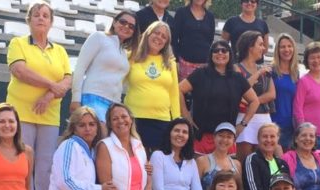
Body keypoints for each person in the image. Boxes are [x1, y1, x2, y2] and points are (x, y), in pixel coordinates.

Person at [6, 1, 72, 190]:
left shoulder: (60, 51)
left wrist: (49, 96)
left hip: (50, 116)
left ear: (51, 22)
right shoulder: (18, 43)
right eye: (36, 15)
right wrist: (52, 85)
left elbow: (67, 79)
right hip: (22, 114)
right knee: (23, 164)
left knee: (45, 167)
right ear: (29, 20)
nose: (41, 18)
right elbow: (20, 71)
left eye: (45, 15)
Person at [180, 39, 259, 155]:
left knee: (227, 168)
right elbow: (179, 89)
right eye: (216, 51)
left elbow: (254, 101)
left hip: (226, 138)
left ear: (230, 54)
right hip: (202, 136)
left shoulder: (237, 78)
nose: (220, 53)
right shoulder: (200, 74)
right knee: (200, 167)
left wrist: (243, 124)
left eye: (224, 50)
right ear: (211, 54)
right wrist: (186, 115)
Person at [71, 11, 139, 121]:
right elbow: (80, 68)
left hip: (114, 104)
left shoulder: (123, 52)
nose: (126, 27)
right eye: (123, 22)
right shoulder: (98, 37)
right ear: (114, 22)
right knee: (101, 130)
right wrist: (75, 99)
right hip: (92, 97)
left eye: (131, 26)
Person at [126, 21, 182, 152]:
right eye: (156, 33)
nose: (159, 38)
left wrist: (176, 121)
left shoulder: (170, 63)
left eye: (164, 36)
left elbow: (174, 93)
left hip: (162, 120)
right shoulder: (131, 56)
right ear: (148, 34)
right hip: (134, 118)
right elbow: (117, 82)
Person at [234, 30, 276, 161]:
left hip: (264, 118)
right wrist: (257, 74)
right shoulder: (236, 68)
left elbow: (272, 94)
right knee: (244, 160)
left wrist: (252, 101)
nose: (263, 48)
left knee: (266, 159)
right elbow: (240, 89)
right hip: (244, 117)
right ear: (250, 46)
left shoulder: (264, 68)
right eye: (260, 44)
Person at [293, 42, 320, 151]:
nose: (316, 61)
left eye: (319, 57)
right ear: (307, 61)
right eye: (312, 58)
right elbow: (297, 109)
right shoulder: (303, 81)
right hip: (308, 137)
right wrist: (304, 132)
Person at [152, 118, 203, 190]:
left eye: (185, 132)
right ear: (169, 133)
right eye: (176, 130)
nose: (180, 134)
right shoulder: (158, 156)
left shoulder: (191, 161)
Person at [243, 122, 289, 190]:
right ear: (258, 139)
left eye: (272, 136)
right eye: (264, 136)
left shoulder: (282, 164)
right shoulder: (252, 160)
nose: (268, 140)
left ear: (278, 139)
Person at [172, 0, 216, 79]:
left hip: (204, 66)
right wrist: (176, 60)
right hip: (184, 64)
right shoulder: (181, 13)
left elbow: (210, 40)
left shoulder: (210, 16)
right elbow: (174, 39)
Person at [270, 34, 300, 150]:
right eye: (282, 47)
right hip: (273, 124)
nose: (286, 50)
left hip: (290, 126)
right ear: (277, 50)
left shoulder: (295, 73)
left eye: (289, 46)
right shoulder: (271, 71)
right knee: (274, 159)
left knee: (287, 159)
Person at [197, 122, 241, 190]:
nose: (224, 140)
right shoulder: (202, 161)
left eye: (229, 137)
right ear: (214, 137)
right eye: (221, 136)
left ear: (234, 140)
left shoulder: (237, 164)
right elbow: (194, 188)